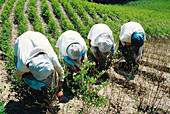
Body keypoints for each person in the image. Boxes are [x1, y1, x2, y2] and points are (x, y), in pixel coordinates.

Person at [14, 31, 64, 99]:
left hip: (38, 37)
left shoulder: (52, 58)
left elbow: (61, 73)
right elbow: (17, 76)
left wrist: (59, 89)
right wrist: (29, 75)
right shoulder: (22, 65)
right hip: (22, 40)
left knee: (54, 75)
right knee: (27, 78)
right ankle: (33, 86)